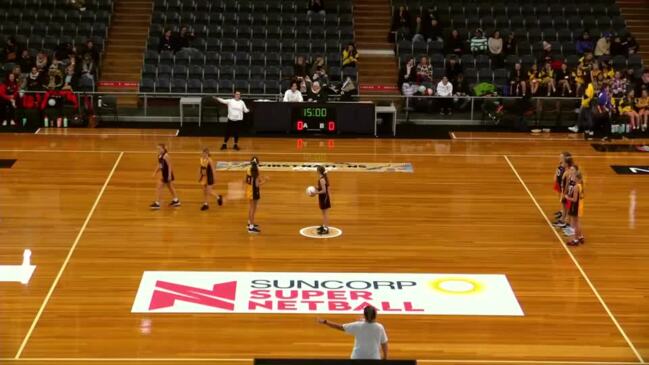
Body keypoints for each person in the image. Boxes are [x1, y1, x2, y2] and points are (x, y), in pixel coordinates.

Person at [317, 305, 388, 360]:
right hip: (374, 359)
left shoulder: (357, 325)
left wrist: (325, 322)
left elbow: (339, 327)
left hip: (357, 358)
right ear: (375, 315)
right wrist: (385, 357)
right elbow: (384, 343)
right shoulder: (380, 327)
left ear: (364, 315)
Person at [149, 144, 181, 209]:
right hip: (164, 174)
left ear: (163, 149)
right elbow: (159, 165)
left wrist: (169, 175)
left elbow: (169, 166)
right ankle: (176, 200)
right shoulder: (159, 155)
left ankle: (157, 203)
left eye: (160, 149)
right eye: (158, 149)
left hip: (167, 174)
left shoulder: (166, 156)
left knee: (159, 187)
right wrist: (155, 172)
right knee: (170, 187)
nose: (158, 150)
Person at [246, 156, 267, 234]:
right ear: (257, 163)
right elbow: (257, 184)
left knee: (251, 208)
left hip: (248, 190)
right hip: (254, 191)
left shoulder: (248, 169)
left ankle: (249, 223)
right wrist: (265, 181)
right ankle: (251, 227)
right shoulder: (256, 170)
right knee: (253, 208)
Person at [565, 171, 585, 246]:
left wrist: (567, 197)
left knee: (573, 224)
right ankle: (580, 237)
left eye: (574, 177)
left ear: (577, 178)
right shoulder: (581, 185)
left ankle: (575, 239)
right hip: (579, 206)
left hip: (575, 206)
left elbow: (574, 199)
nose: (572, 178)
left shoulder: (576, 187)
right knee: (577, 222)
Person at [313, 165, 331, 235]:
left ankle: (326, 229)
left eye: (317, 170)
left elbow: (324, 191)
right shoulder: (322, 178)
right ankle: (324, 226)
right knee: (323, 214)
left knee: (325, 214)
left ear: (318, 171)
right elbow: (323, 188)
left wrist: (316, 192)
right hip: (323, 197)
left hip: (324, 198)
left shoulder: (322, 179)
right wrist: (317, 187)